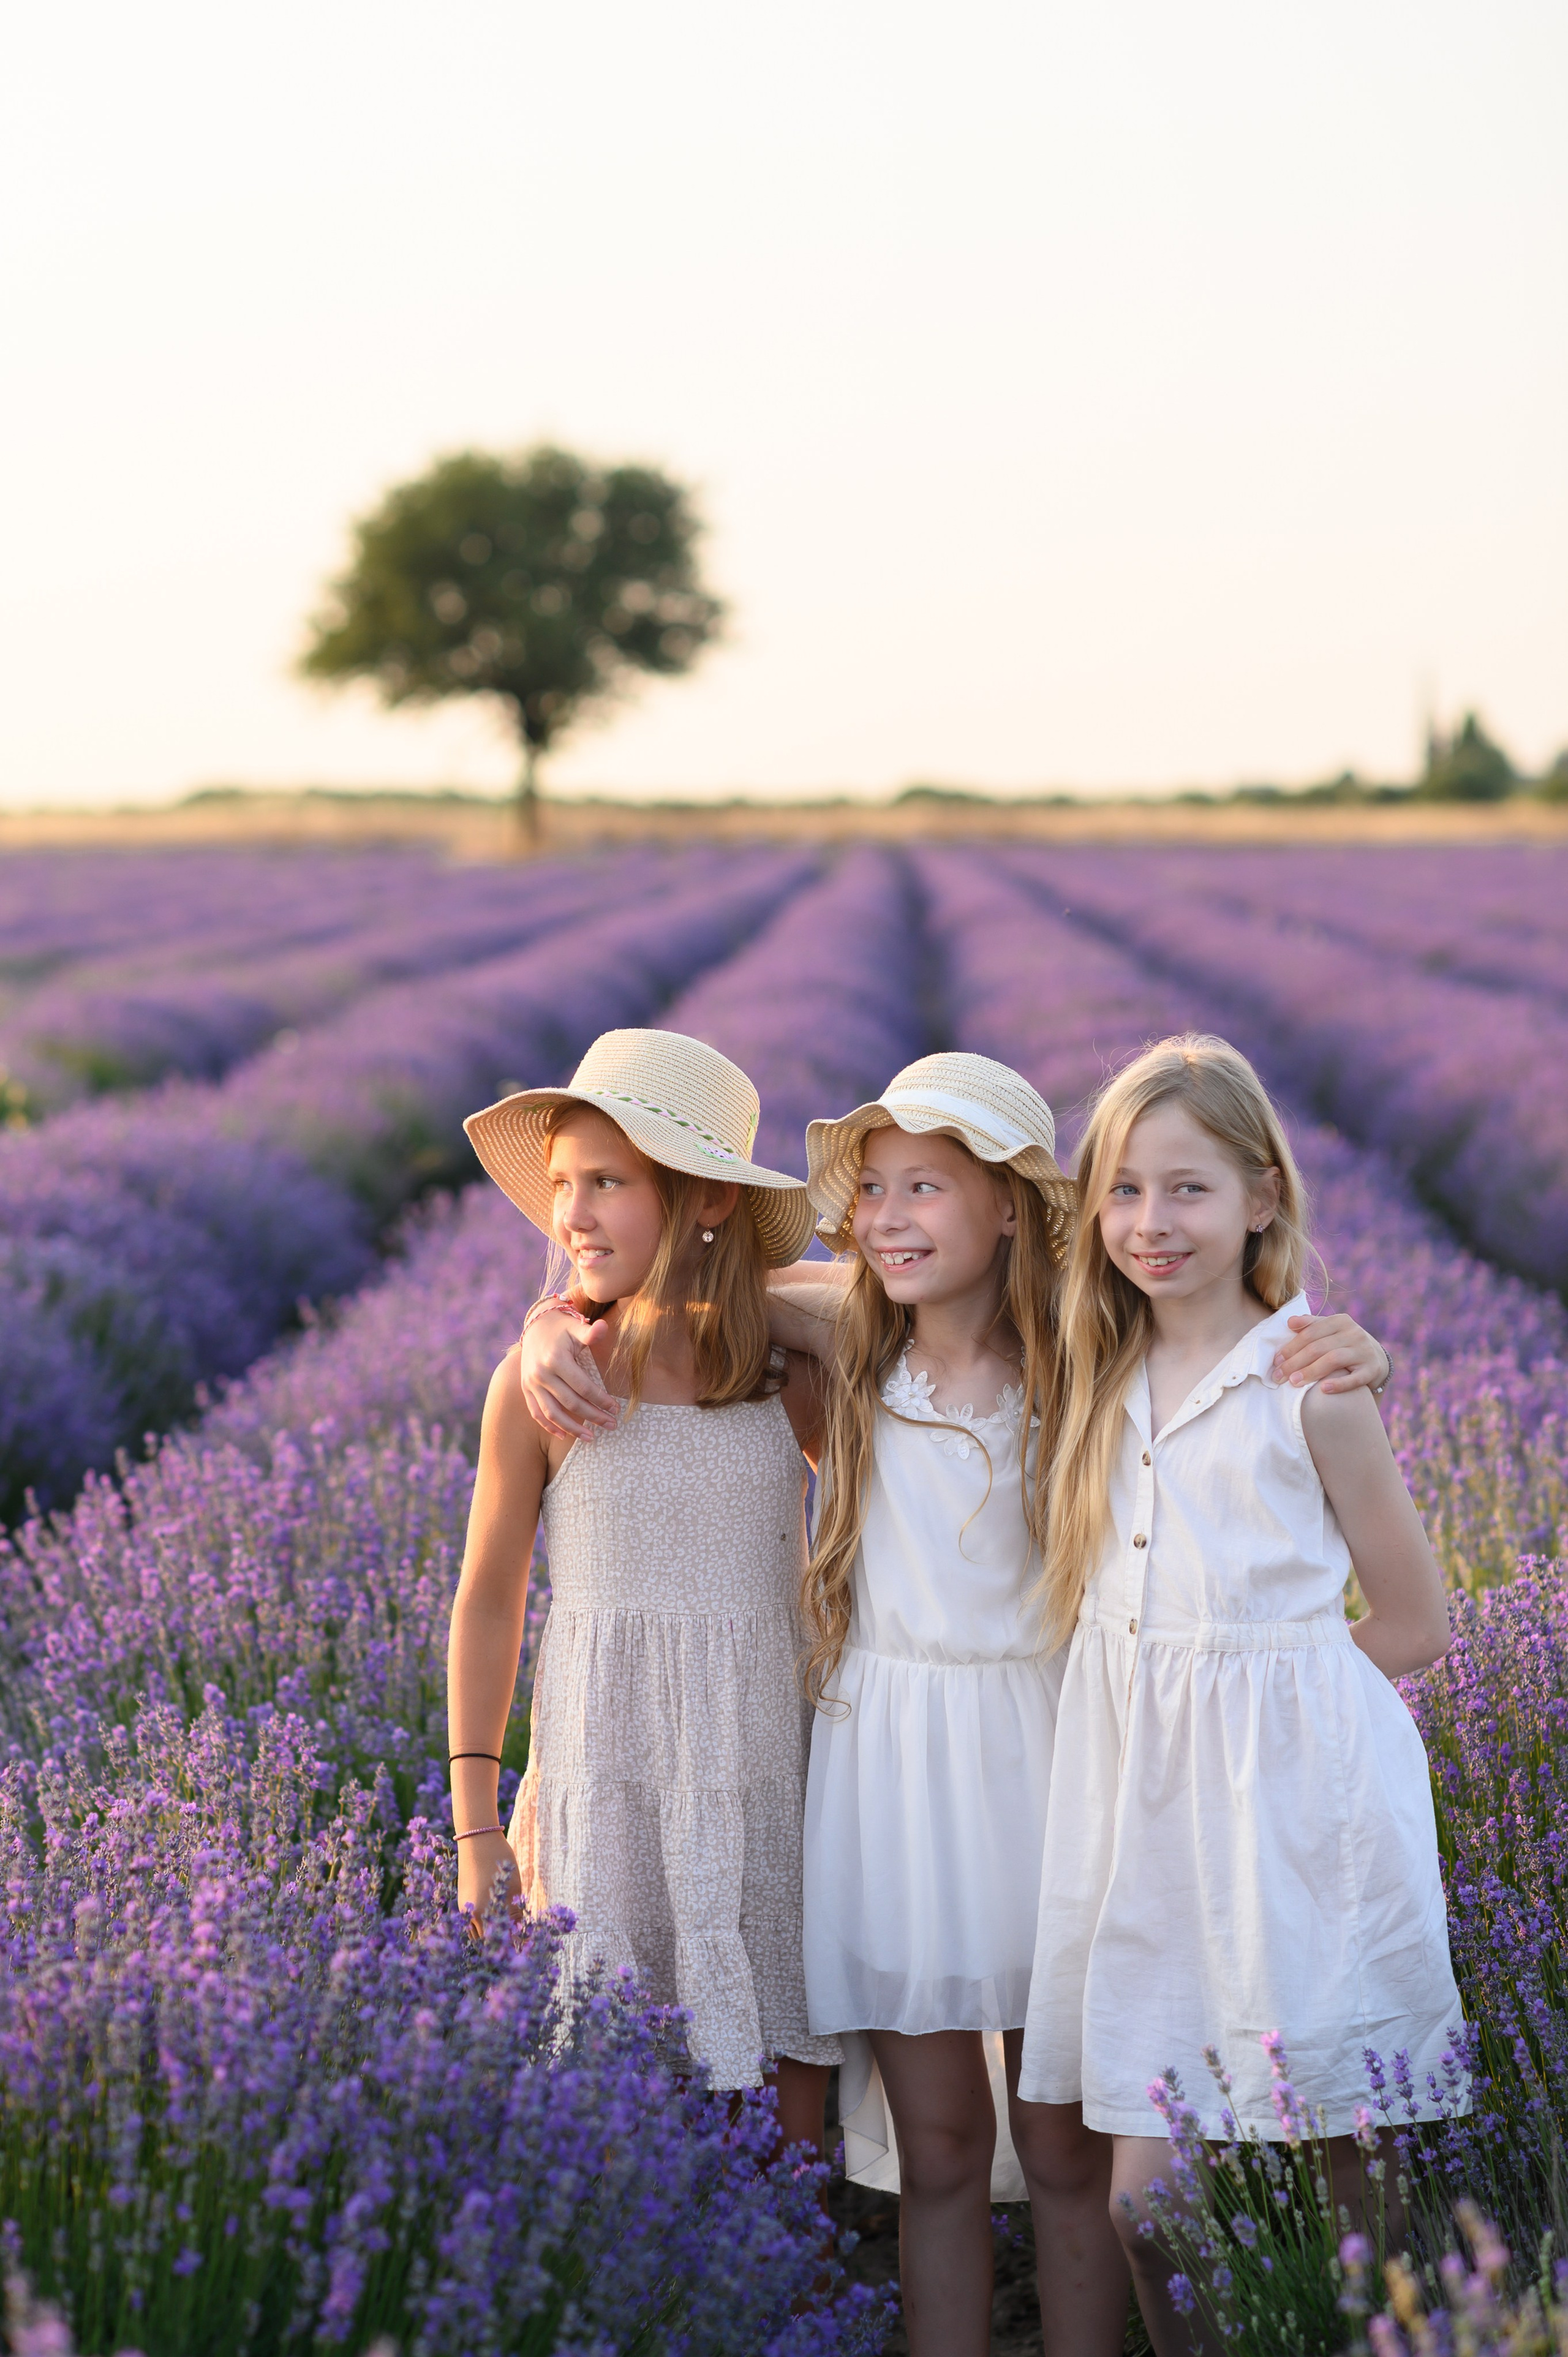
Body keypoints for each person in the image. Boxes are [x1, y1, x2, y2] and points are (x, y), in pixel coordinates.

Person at [521, 1048, 1393, 2357]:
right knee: (935, 2151)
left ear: (1011, 1212)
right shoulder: (846, 1331)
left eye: (923, 1187)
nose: (884, 1217)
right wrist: (546, 1325)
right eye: (868, 1189)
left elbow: (1233, 1349)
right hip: (890, 1774)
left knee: (1063, 2142)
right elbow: (667, 1286)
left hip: (1047, 1764)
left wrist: (1351, 1339)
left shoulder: (1088, 1358)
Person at [1015, 1033, 1460, 2357]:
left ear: (1262, 1195)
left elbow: (1417, 1620)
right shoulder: (1086, 1370)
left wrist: (1276, 1715)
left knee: (1345, 2159)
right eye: (1123, 1190)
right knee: (1152, 2207)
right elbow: (854, 1289)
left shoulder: (1310, 1389)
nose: (1152, 1222)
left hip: (1297, 1817)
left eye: (1189, 1187)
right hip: (1139, 1824)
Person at [445, 1027, 839, 2154]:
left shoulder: (787, 1374)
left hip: (759, 1774)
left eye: (609, 1182)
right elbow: (488, 1599)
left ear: (705, 1198)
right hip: (603, 1779)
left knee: (784, 2104)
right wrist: (476, 1830)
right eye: (563, 1183)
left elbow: (917, 1304)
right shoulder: (545, 1386)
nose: (571, 1213)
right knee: (610, 2106)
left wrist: (765, 1301)